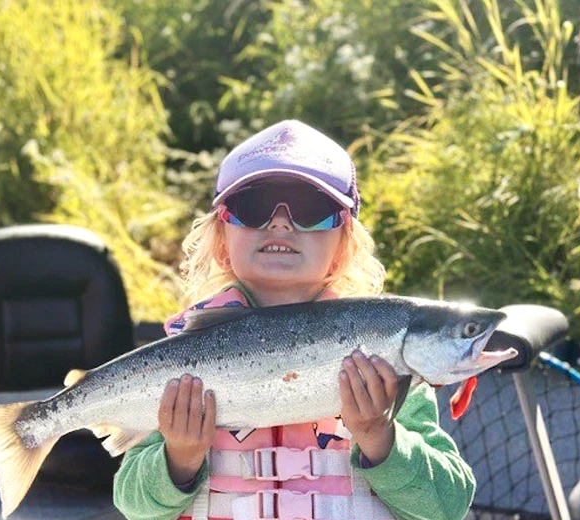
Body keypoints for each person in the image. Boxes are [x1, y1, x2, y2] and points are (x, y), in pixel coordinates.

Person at [112, 120, 477, 520]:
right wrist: (178, 458)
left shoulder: (386, 357)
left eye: (311, 209)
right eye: (254, 206)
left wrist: (381, 438)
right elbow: (133, 505)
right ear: (221, 239)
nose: (281, 221)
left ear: (344, 246)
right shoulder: (177, 361)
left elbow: (448, 506)